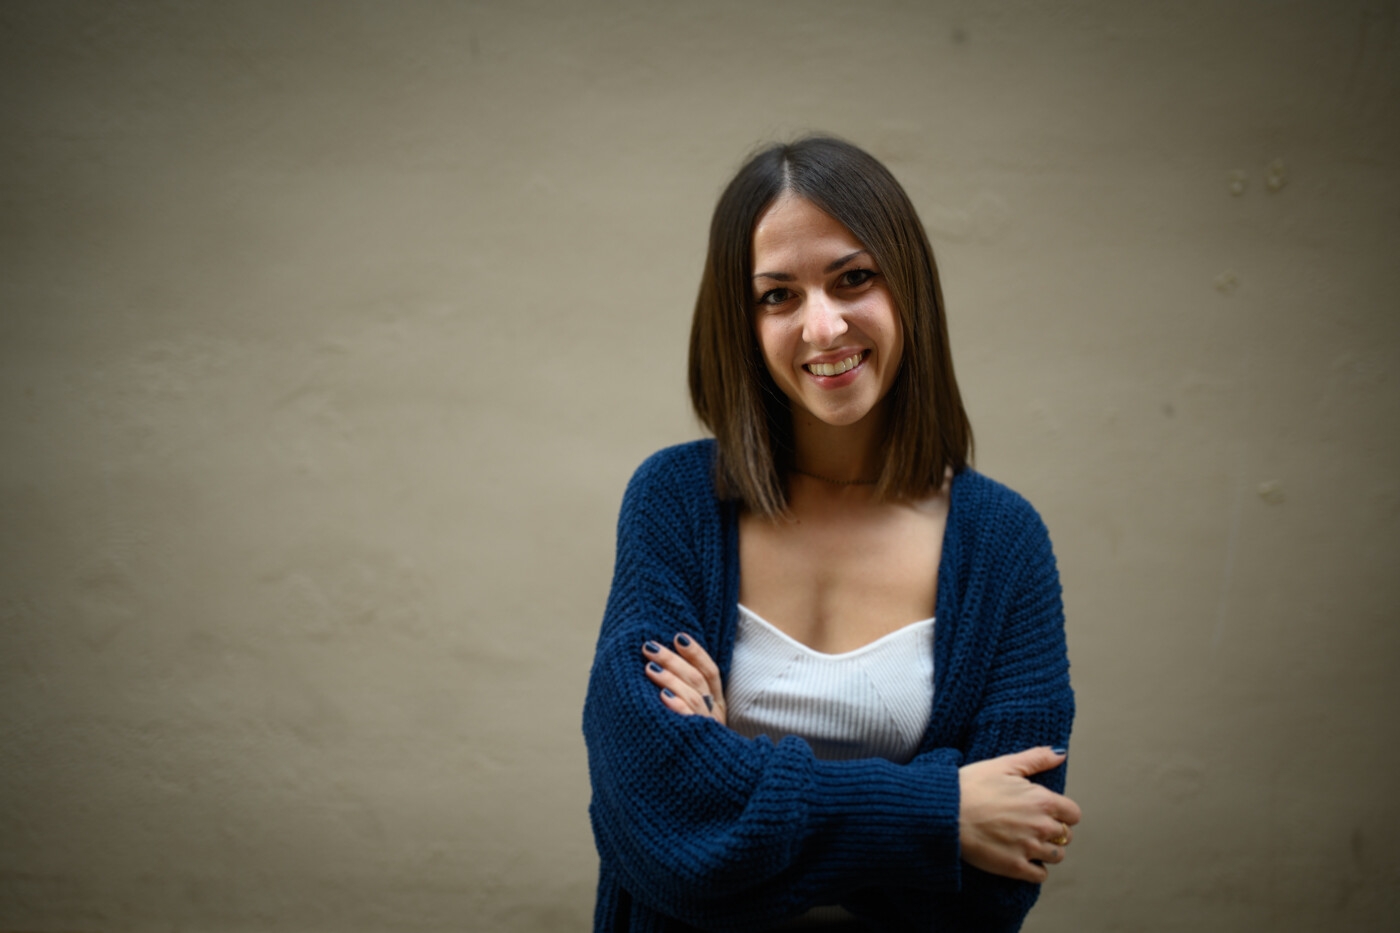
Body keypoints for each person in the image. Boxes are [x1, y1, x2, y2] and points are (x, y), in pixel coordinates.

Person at [582, 136, 1079, 932]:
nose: (822, 326)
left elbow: (1000, 879)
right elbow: (658, 816)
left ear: (907, 285)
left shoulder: (1003, 543)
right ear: (741, 322)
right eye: (778, 296)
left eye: (853, 278)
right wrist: (940, 810)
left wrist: (735, 787)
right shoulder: (675, 502)